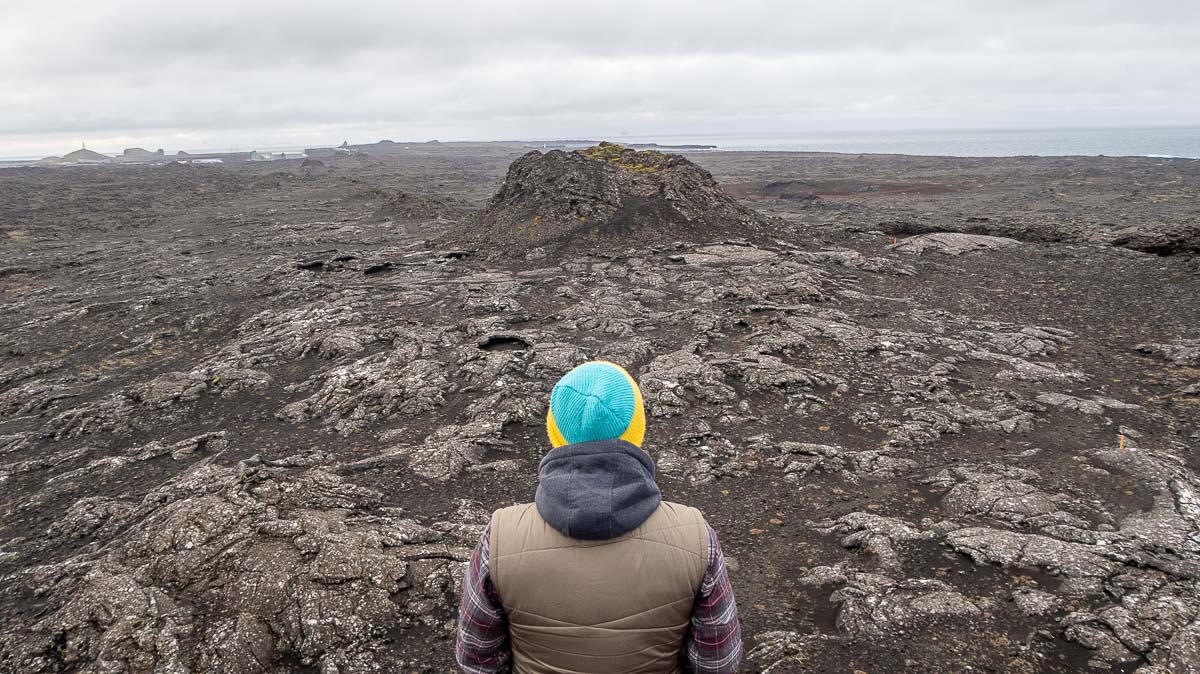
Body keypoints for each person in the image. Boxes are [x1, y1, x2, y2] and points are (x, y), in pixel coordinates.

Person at [456, 361, 742, 673]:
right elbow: (718, 663)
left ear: (554, 431)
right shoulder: (696, 537)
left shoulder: (499, 538)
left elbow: (476, 661)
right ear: (637, 430)